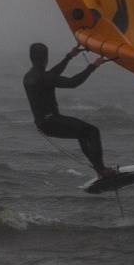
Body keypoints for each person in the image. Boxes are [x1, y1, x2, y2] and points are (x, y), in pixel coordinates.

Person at [24, 42, 113, 177]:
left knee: (83, 134)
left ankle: (100, 170)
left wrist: (69, 56)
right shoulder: (45, 77)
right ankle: (102, 170)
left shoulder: (29, 76)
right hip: (52, 121)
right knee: (92, 131)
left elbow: (53, 73)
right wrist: (93, 66)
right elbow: (72, 82)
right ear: (46, 58)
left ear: (31, 57)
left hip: (43, 124)